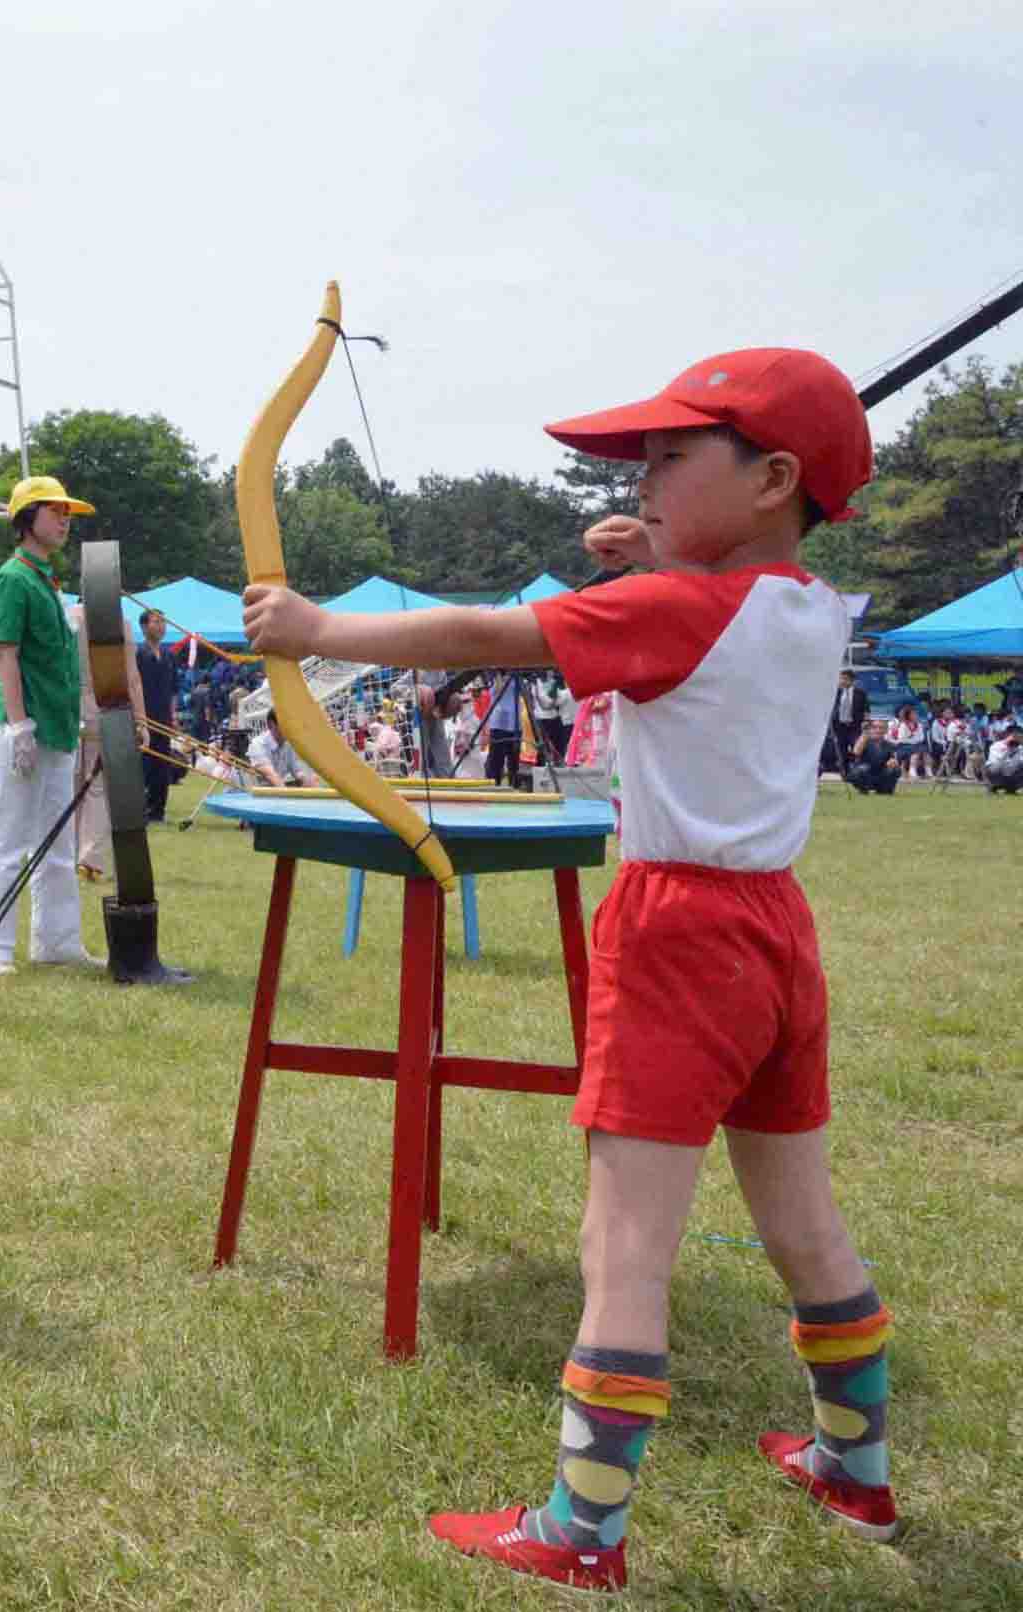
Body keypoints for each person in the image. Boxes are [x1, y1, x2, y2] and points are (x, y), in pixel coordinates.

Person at [246, 346, 896, 1592]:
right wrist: (670, 554)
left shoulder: (675, 610)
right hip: (775, 934)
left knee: (624, 1245)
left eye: (670, 457)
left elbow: (496, 632)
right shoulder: (806, 604)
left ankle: (580, 1532)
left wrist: (320, 628)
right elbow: (724, 621)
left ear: (772, 477)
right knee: (805, 1223)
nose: (641, 477)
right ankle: (853, 1469)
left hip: (677, 931)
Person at [0, 476, 100, 974]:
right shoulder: (11, 580)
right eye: (54, 510)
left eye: (68, 512)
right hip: (19, 729)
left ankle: (57, 941)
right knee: (5, 842)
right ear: (26, 518)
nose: (65, 520)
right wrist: (20, 728)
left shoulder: (46, 581)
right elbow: (6, 656)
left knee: (57, 845)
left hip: (56, 731)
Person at [136, 609, 185, 821]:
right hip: (144, 718)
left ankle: (158, 810)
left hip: (164, 718)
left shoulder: (169, 655)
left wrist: (173, 716)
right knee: (143, 765)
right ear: (145, 626)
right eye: (156, 622)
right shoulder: (138, 654)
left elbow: (174, 689)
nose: (161, 626)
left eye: (163, 622)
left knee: (162, 766)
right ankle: (140, 810)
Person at [482, 675, 525, 788]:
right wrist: (500, 674)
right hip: (499, 724)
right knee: (496, 761)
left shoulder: (518, 677)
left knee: (514, 762)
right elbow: (497, 689)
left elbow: (525, 693)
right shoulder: (494, 676)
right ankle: (494, 786)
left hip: (515, 724)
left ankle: (513, 786)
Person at [248, 711, 311, 786]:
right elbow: (271, 776)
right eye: (285, 724)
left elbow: (297, 771)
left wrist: (307, 781)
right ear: (271, 725)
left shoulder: (288, 743)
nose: (290, 728)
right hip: (260, 794)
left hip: (278, 790)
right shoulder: (257, 745)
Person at [845, 719, 902, 794]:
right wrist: (865, 734)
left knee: (895, 769)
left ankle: (884, 790)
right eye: (875, 727)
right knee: (860, 770)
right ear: (870, 729)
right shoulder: (864, 740)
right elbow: (856, 752)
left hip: (880, 776)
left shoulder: (890, 745)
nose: (878, 730)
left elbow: (894, 760)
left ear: (886, 730)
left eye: (881, 728)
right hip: (865, 774)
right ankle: (863, 789)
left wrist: (893, 763)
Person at [828, 669, 868, 771]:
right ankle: (844, 771)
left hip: (854, 726)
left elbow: (866, 710)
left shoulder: (860, 693)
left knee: (857, 747)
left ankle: (856, 768)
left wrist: (866, 722)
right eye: (841, 679)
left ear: (852, 680)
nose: (842, 681)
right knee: (841, 749)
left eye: (845, 679)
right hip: (838, 726)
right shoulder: (834, 692)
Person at [984, 723, 1023, 794]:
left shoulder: (1020, 749)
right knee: (992, 767)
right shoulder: (996, 746)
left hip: (1010, 774)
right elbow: (995, 765)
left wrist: (1018, 749)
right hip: (997, 773)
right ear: (1007, 735)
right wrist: (1007, 749)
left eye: (1019, 736)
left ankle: (1011, 788)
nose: (1016, 738)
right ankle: (993, 786)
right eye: (1014, 736)